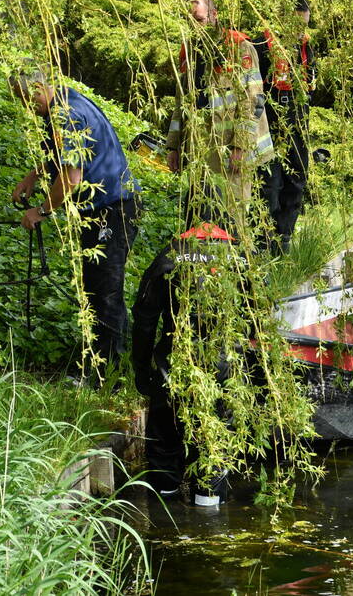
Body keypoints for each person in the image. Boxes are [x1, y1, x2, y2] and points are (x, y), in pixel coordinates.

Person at [10, 68, 141, 385]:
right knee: (93, 287)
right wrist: (35, 174)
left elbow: (71, 178)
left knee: (104, 291)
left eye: (26, 99)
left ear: (38, 88)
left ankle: (104, 375)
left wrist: (41, 211)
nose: (27, 106)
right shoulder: (64, 101)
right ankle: (100, 360)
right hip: (99, 209)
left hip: (113, 208)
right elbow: (62, 155)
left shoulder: (67, 115)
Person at [131, 215, 244, 506]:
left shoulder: (169, 257)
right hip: (223, 366)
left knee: (164, 446)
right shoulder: (241, 259)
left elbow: (144, 319)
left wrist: (141, 370)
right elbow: (257, 320)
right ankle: (209, 516)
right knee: (213, 447)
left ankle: (161, 519)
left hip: (172, 366)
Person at [165, 0, 274, 229]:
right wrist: (174, 146)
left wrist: (240, 146)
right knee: (199, 215)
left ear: (214, 15)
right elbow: (181, 103)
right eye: (191, 21)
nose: (196, 26)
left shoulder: (238, 48)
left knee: (231, 217)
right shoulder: (189, 53)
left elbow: (252, 101)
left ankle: (234, 263)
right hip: (199, 149)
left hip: (231, 149)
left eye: (200, 19)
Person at [253, 0, 316, 254]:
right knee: (269, 181)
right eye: (297, 24)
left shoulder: (305, 45)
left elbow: (310, 82)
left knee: (297, 177)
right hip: (268, 121)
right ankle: (263, 240)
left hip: (297, 121)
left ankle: (285, 236)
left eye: (305, 24)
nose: (301, 30)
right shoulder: (260, 45)